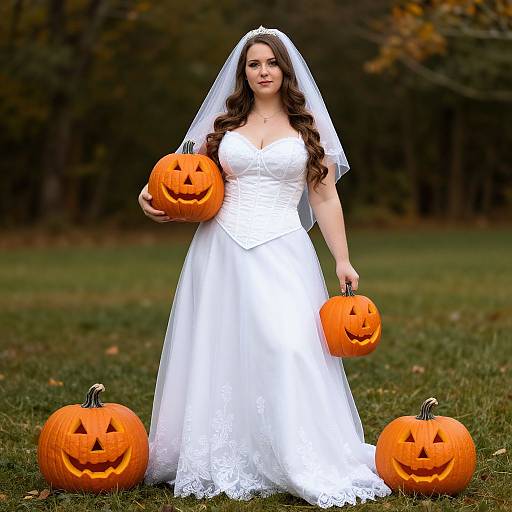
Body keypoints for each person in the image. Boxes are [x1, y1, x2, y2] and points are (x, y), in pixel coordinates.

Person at [138, 26, 391, 508]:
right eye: (253, 64)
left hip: (283, 248)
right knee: (220, 344)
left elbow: (324, 195)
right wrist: (148, 196)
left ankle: (294, 451)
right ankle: (223, 450)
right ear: (244, 73)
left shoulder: (306, 127)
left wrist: (342, 258)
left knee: (287, 345)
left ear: (284, 70)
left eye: (270, 63)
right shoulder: (224, 126)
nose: (262, 72)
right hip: (221, 248)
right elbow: (181, 175)